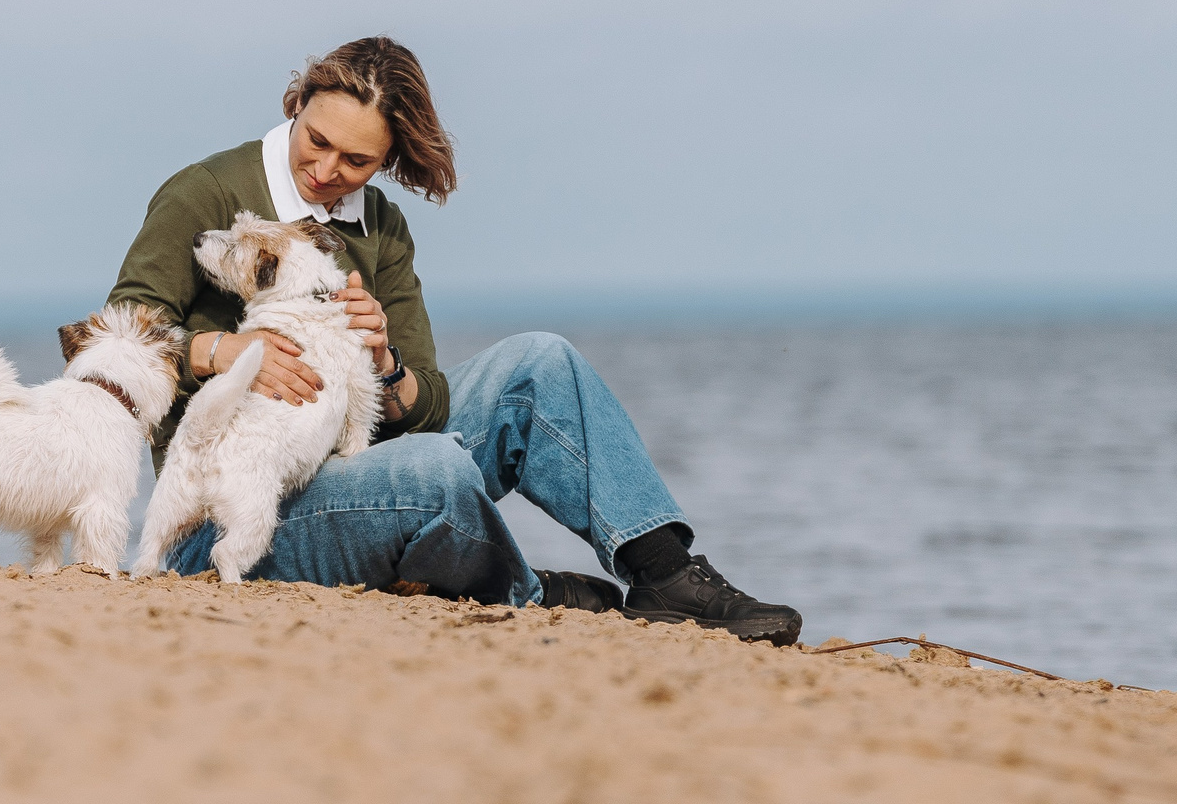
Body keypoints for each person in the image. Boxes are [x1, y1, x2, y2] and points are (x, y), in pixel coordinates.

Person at [106, 36, 802, 641]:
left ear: (386, 159)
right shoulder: (204, 192)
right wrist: (220, 353)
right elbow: (109, 340)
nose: (326, 172)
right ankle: (524, 590)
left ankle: (666, 575)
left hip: (353, 461)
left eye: (355, 161)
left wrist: (384, 366)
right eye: (317, 141)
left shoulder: (380, 226)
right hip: (231, 515)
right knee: (436, 470)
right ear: (297, 104)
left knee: (540, 361)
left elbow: (427, 403)